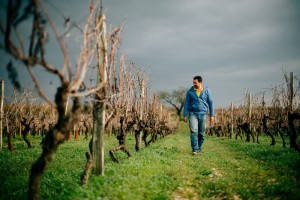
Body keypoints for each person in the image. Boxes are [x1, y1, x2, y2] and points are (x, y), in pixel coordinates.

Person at [183, 75, 214, 155]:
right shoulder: (190, 91)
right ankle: (195, 149)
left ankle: (199, 148)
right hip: (192, 113)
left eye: (195, 83)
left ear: (200, 82)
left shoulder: (207, 90)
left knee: (201, 133)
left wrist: (212, 115)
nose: (194, 84)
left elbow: (210, 103)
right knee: (193, 131)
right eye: (193, 82)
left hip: (203, 114)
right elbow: (186, 103)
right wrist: (185, 114)